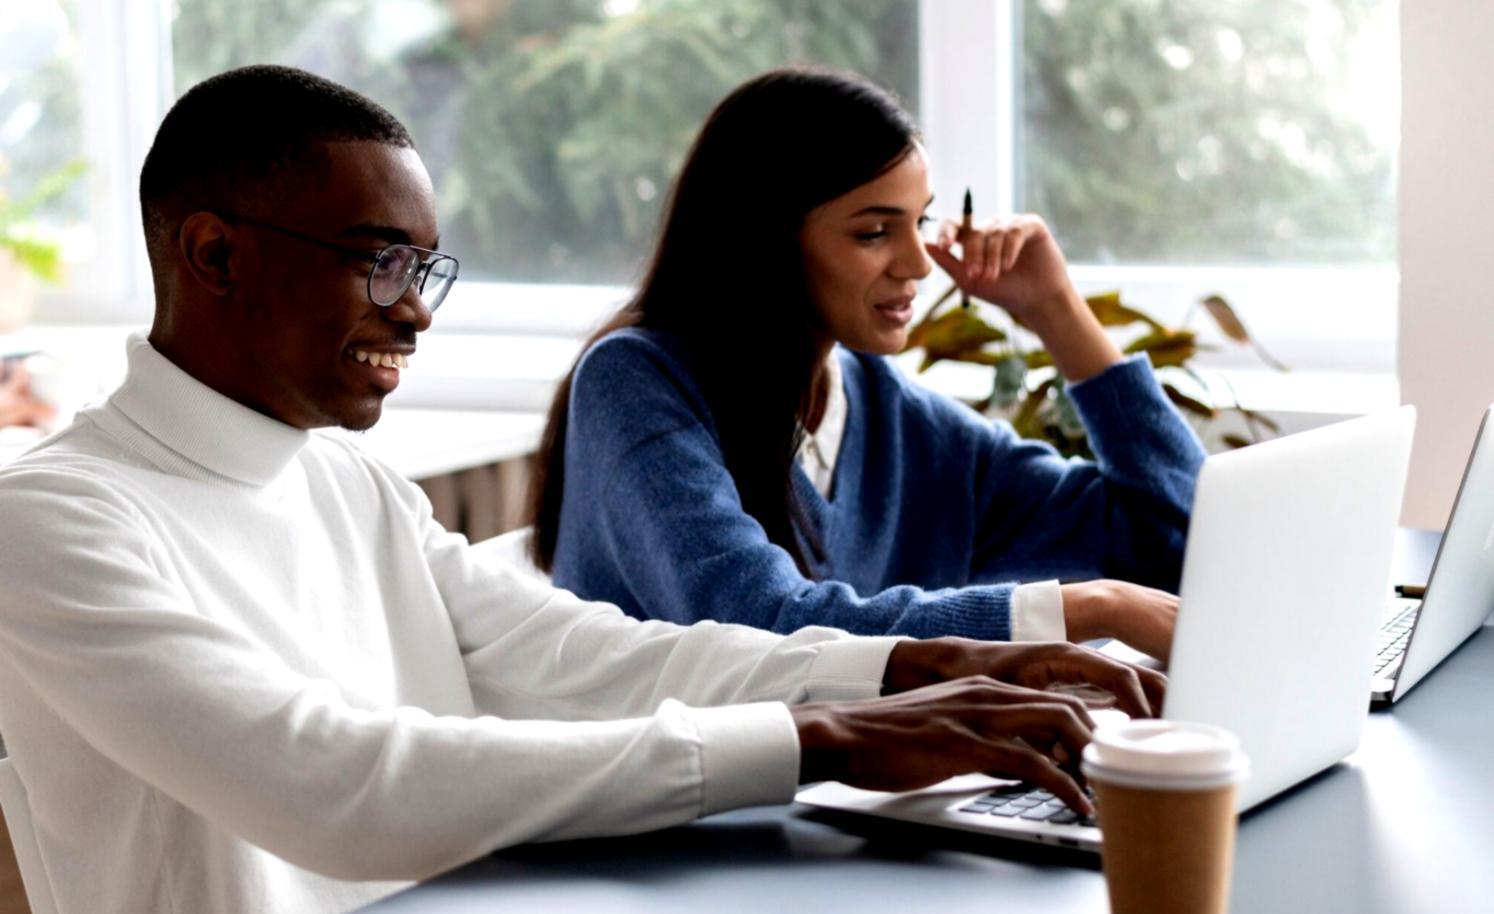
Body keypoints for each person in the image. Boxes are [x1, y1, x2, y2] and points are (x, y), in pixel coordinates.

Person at [0, 65, 1164, 914]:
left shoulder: (349, 481)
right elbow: (342, 782)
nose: (416, 309)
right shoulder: (52, 518)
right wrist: (824, 734)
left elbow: (594, 656)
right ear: (213, 254)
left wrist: (922, 670)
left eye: (428, 268)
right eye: (381, 260)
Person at [530, 68, 1207, 662]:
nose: (917, 264)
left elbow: (1176, 544)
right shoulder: (636, 382)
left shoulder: (893, 415)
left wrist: (1058, 310)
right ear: (764, 238)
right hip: (675, 797)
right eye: (875, 232)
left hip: (851, 791)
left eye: (921, 223)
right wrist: (1090, 610)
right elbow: (766, 630)